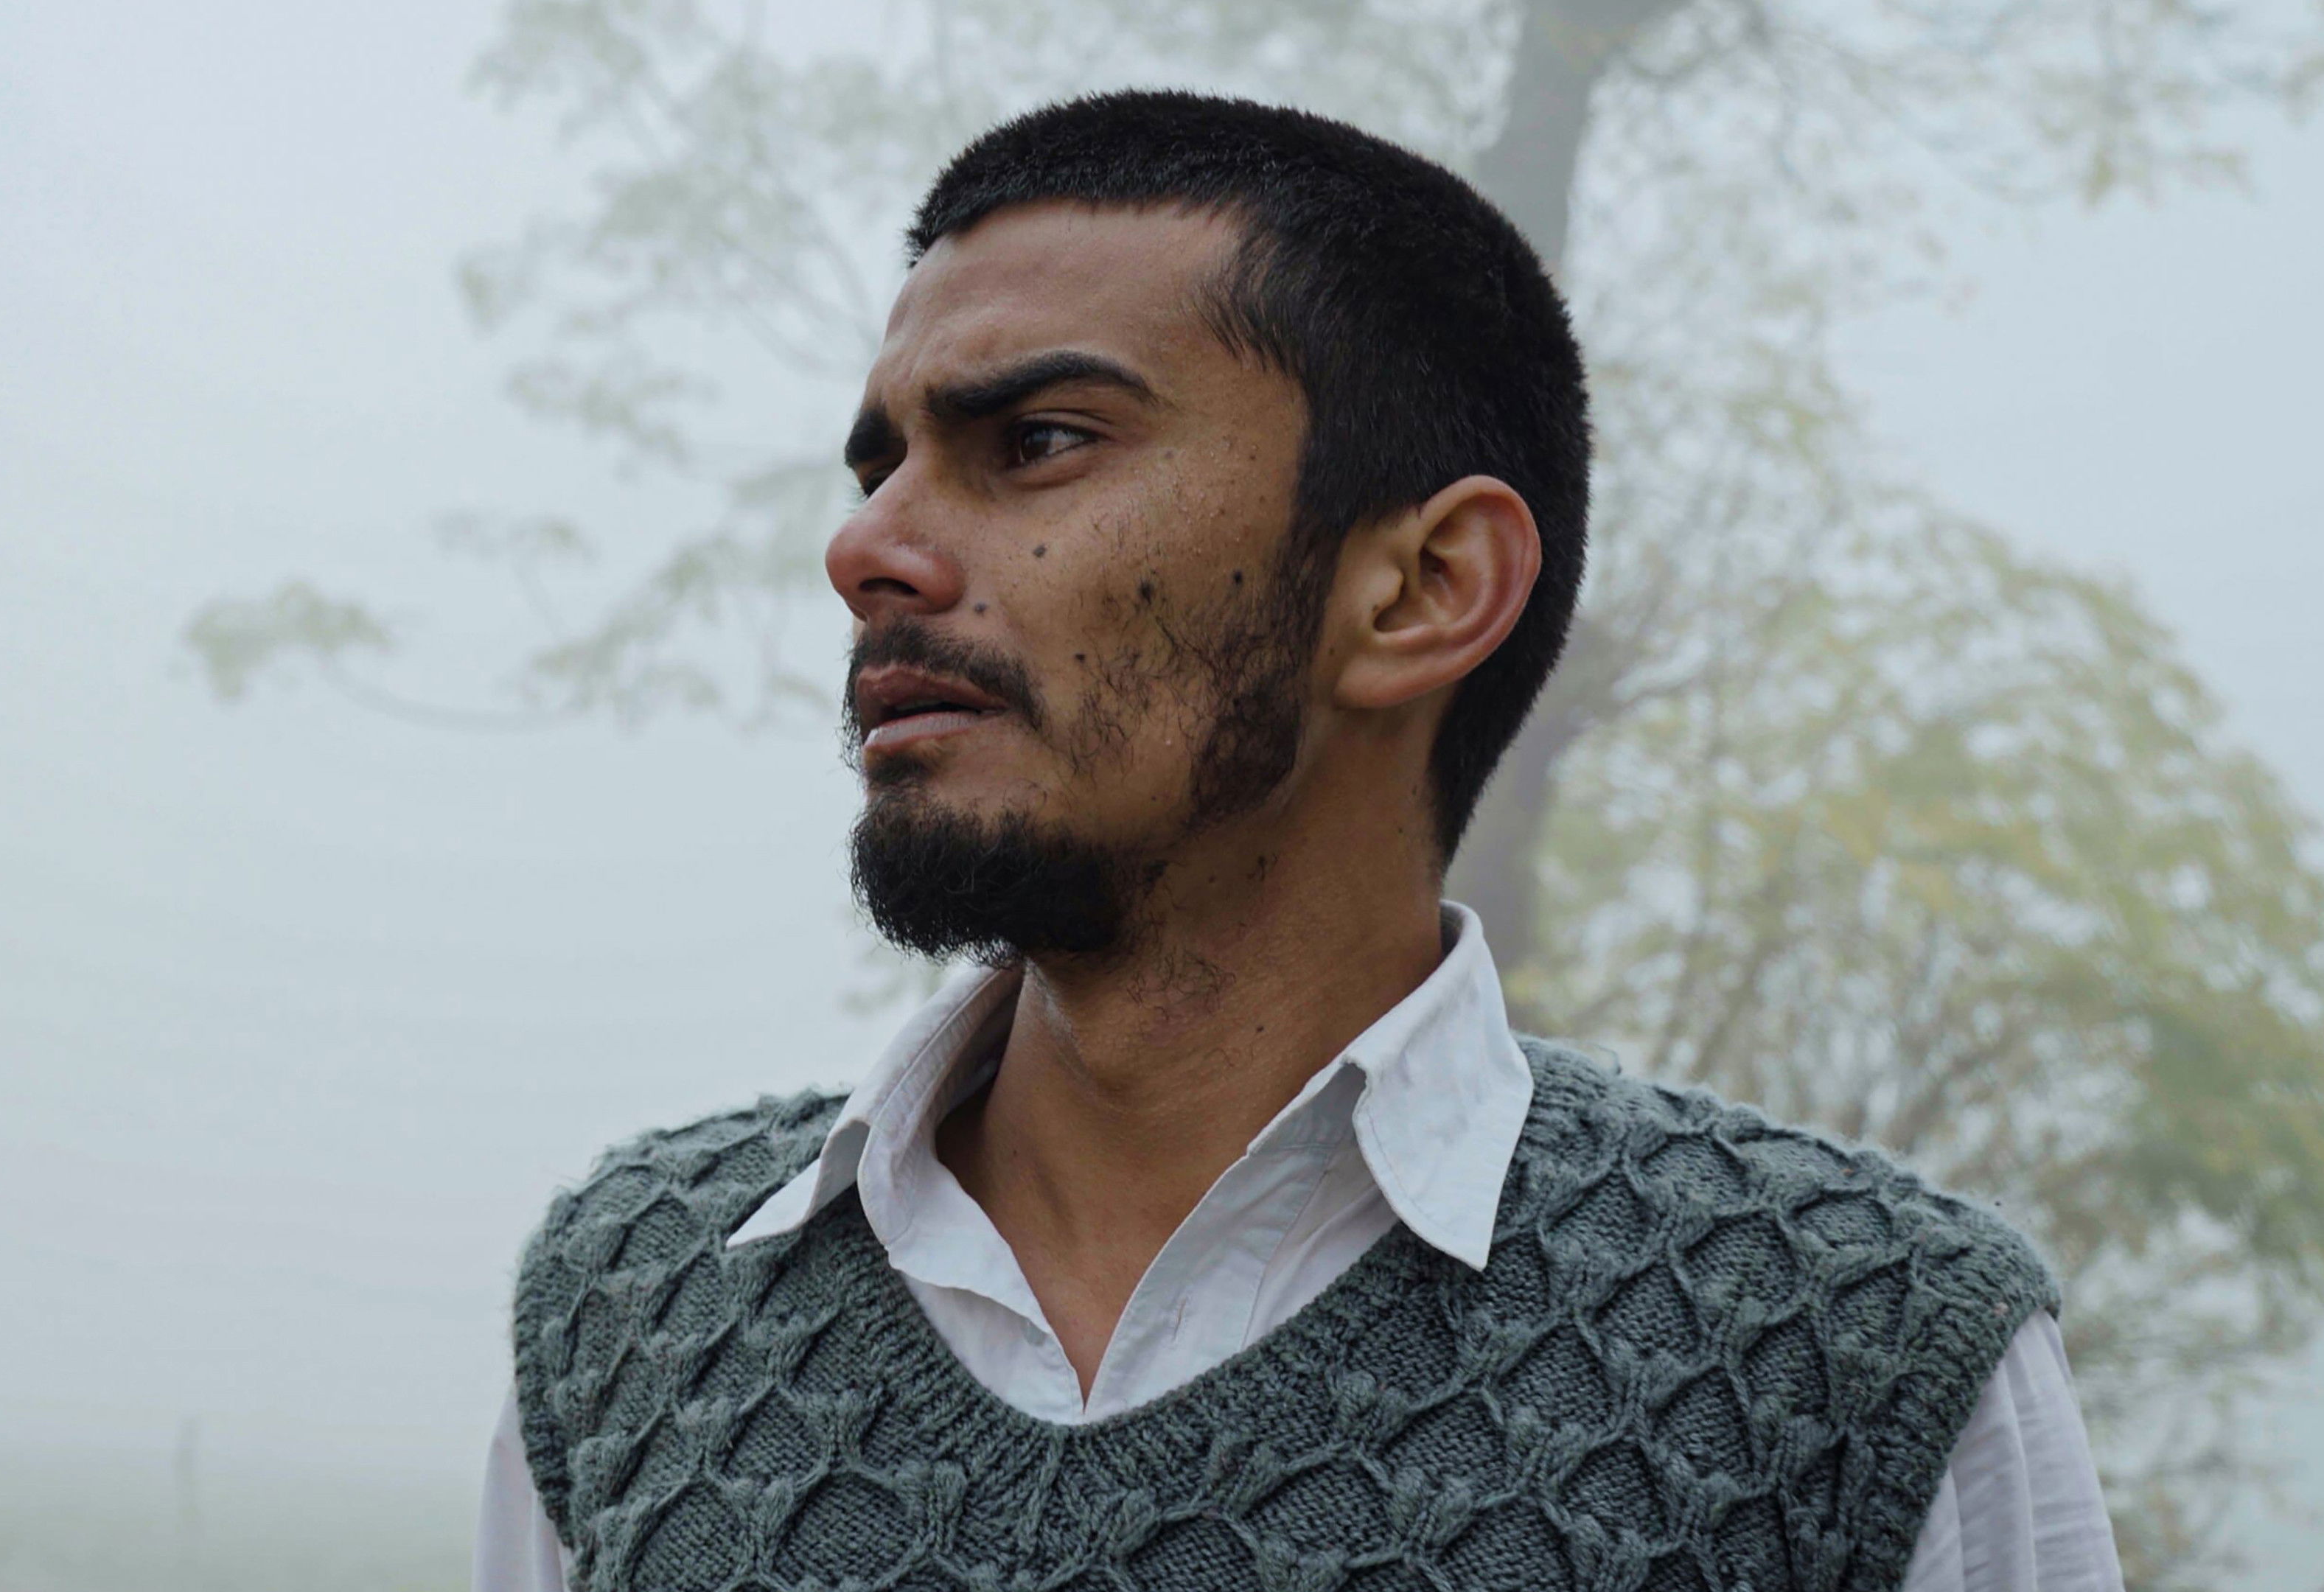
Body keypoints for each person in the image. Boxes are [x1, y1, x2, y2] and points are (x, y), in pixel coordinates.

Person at [475, 90, 2124, 1592]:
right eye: (881, 464)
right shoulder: (639, 1307)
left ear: (1422, 590)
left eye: (1038, 442)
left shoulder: (1852, 1363)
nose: (867, 547)